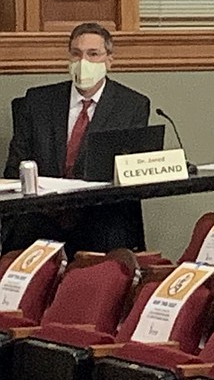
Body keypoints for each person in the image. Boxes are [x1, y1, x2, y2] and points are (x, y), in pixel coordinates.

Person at [3, 22, 151, 255]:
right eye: (76, 54)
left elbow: (127, 171)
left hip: (97, 213)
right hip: (42, 214)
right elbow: (14, 168)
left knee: (113, 225)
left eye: (93, 54)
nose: (84, 62)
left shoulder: (131, 105)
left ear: (109, 60)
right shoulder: (38, 102)